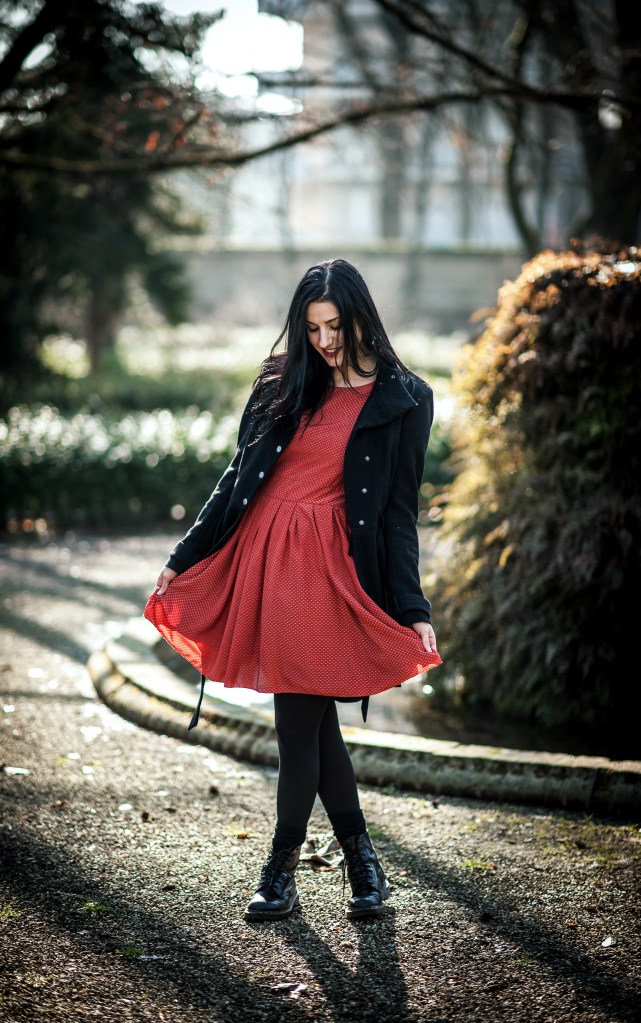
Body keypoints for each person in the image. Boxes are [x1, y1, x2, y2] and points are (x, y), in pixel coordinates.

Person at [145, 257, 442, 923]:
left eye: (336, 326)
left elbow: (398, 514)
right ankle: (350, 867)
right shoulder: (281, 381)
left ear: (362, 317)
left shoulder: (404, 398)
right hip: (267, 565)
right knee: (302, 720)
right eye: (312, 328)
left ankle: (290, 869)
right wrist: (184, 555)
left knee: (305, 723)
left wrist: (411, 605)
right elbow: (235, 477)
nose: (324, 341)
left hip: (332, 572)